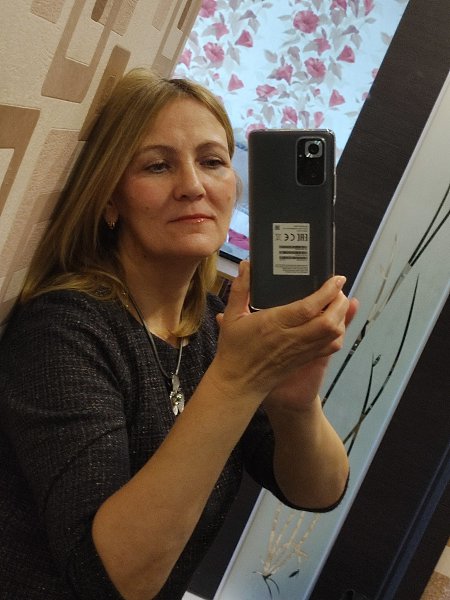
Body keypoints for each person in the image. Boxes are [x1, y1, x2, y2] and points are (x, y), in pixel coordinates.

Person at [0, 67, 358, 600]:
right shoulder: (64, 330)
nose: (193, 186)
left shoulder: (216, 323)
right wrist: (236, 381)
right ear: (110, 199)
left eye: (212, 161)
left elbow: (316, 491)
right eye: (158, 165)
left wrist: (294, 404)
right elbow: (112, 579)